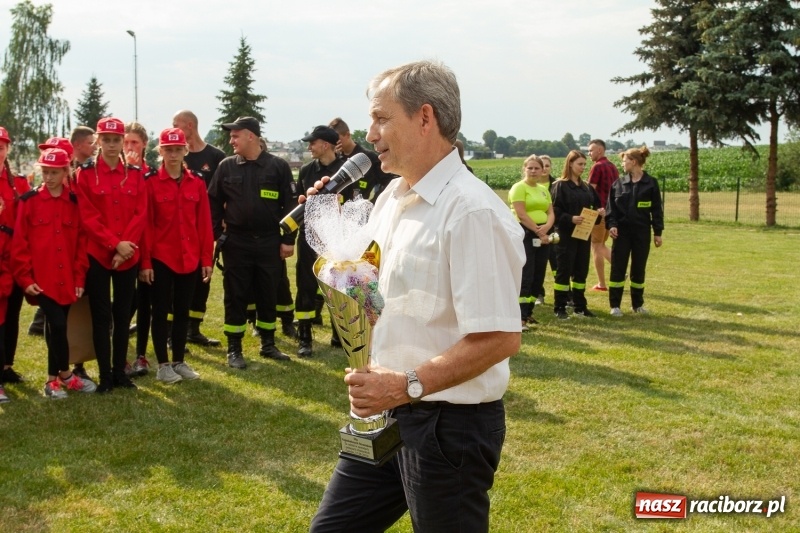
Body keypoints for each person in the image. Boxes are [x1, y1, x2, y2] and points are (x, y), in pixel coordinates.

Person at [310, 60, 525, 533]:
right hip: (389, 415)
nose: (370, 134)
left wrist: (404, 385)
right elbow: (373, 290)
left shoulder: (471, 212)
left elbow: (499, 338)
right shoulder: (390, 198)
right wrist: (333, 247)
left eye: (382, 118)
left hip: (448, 428)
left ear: (425, 118)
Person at [207, 116, 294, 368]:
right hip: (237, 242)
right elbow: (212, 201)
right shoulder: (226, 166)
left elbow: (290, 206)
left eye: (235, 135)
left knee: (268, 292)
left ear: (251, 137)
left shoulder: (278, 167)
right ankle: (234, 348)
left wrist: (288, 239)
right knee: (236, 295)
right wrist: (217, 234)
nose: (231, 140)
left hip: (269, 241)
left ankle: (268, 344)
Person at [12, 147, 96, 398]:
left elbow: (81, 244)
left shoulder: (74, 203)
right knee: (57, 324)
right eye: (45, 172)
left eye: (54, 172)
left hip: (68, 279)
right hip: (42, 280)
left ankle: (52, 381)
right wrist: (25, 279)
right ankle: (65, 374)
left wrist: (80, 277)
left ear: (65, 172)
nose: (48, 177)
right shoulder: (29, 202)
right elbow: (20, 244)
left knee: (56, 328)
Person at [74, 117, 147, 393]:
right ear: (98, 142)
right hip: (99, 255)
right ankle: (105, 374)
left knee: (123, 315)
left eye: (117, 140)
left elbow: (141, 213)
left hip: (128, 255)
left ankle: (120, 372)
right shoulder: (86, 173)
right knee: (101, 316)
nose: (113, 145)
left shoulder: (136, 174)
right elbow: (87, 216)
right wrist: (115, 244)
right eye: (107, 139)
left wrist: (125, 247)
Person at [139, 128, 213, 382]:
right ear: (160, 151)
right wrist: (145, 262)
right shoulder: (150, 182)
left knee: (183, 311)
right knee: (160, 312)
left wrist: (206, 259)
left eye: (177, 149)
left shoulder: (197, 182)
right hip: (161, 257)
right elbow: (146, 225)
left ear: (185, 151)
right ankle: (163, 365)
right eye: (167, 150)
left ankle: (179, 361)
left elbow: (204, 223)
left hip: (189, 257)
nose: (173, 154)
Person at [172, 110, 225, 347]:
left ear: (190, 126)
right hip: (178, 232)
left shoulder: (216, 157)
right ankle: (175, 333)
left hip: (207, 231)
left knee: (202, 280)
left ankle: (194, 329)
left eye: (177, 125)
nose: (174, 129)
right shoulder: (174, 156)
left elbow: (225, 193)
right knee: (177, 282)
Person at [296, 125, 346, 357]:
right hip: (308, 237)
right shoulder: (307, 170)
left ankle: (341, 334)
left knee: (338, 288)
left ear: (325, 144)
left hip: (337, 241)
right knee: (305, 286)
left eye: (312, 143)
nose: (309, 147)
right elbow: (295, 206)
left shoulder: (345, 171)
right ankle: (304, 338)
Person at [606, 145, 664, 316]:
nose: (622, 165)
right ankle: (615, 306)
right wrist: (612, 225)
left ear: (634, 162)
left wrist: (658, 232)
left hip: (642, 232)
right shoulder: (618, 184)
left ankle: (637, 304)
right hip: (621, 233)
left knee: (639, 268)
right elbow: (611, 209)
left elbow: (656, 210)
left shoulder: (651, 183)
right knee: (618, 267)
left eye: (624, 161)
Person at [550, 149, 605, 320]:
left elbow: (595, 206)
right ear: (570, 164)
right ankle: (560, 307)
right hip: (566, 235)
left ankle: (580, 306)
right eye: (580, 164)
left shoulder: (587, 187)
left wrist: (599, 213)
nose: (583, 167)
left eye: (584, 164)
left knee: (581, 271)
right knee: (564, 271)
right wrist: (570, 218)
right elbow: (554, 211)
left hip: (583, 235)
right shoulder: (560, 185)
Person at [122, 122, 154, 379]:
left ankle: (141, 354)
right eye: (126, 143)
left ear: (144, 144)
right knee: (123, 304)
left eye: (134, 142)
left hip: (148, 251)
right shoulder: (118, 174)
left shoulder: (150, 174)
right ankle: (119, 354)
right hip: (123, 250)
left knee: (146, 303)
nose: (130, 147)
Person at [0, 125, 31, 386]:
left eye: (1, 147)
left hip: (14, 255)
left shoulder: (19, 183)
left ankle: (7, 364)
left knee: (12, 313)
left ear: (7, 149)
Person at [508, 155, 554, 328]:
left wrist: (547, 227)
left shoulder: (543, 189)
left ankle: (528, 313)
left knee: (538, 274)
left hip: (543, 233)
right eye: (530, 168)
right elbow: (521, 214)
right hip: (525, 234)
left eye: (537, 168)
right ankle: (518, 316)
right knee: (526, 274)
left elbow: (550, 211)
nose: (534, 171)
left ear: (543, 170)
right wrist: (537, 230)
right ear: (524, 169)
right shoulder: (519, 188)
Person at [328, 117, 396, 202]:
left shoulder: (367, 158)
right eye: (331, 140)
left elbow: (388, 182)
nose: (335, 143)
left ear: (348, 135)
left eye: (337, 138)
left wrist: (373, 202)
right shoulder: (335, 160)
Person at [587, 139, 619, 292]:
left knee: (596, 246)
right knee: (603, 245)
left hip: (599, 212)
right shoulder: (613, 166)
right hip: (611, 212)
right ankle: (621, 271)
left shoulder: (597, 167)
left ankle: (601, 283)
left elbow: (590, 190)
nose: (589, 153)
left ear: (599, 150)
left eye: (591, 150)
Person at [536, 154, 558, 306]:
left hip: (555, 229)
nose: (544, 169)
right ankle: (538, 294)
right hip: (537, 229)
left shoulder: (558, 185)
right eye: (541, 166)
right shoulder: (529, 186)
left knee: (557, 263)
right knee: (538, 263)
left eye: (547, 166)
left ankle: (565, 294)